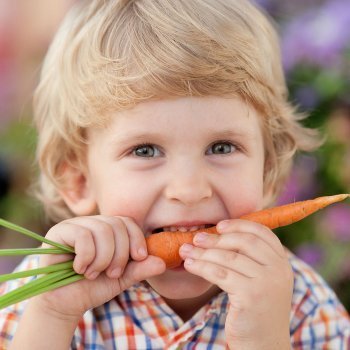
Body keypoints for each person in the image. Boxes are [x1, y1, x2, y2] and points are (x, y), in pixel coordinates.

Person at [0, 0, 349, 348]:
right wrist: (54, 316)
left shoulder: (300, 303)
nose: (189, 189)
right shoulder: (45, 296)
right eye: (145, 150)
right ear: (79, 181)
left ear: (268, 170)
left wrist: (265, 339)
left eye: (222, 147)